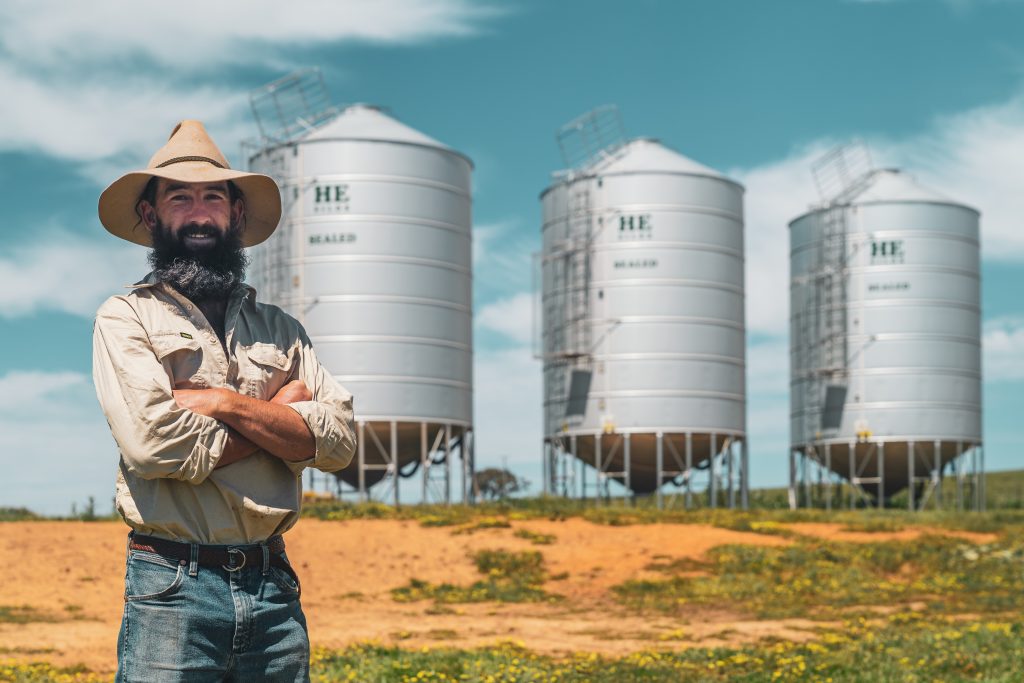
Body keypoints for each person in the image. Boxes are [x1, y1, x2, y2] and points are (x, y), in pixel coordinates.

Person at [93, 120, 355, 681]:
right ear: (151, 216)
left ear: (236, 215)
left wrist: (222, 403)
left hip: (273, 586)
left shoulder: (282, 328)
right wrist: (281, 417)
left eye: (214, 196)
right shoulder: (127, 317)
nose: (198, 212)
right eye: (179, 197)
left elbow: (339, 442)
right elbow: (153, 445)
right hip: (172, 585)